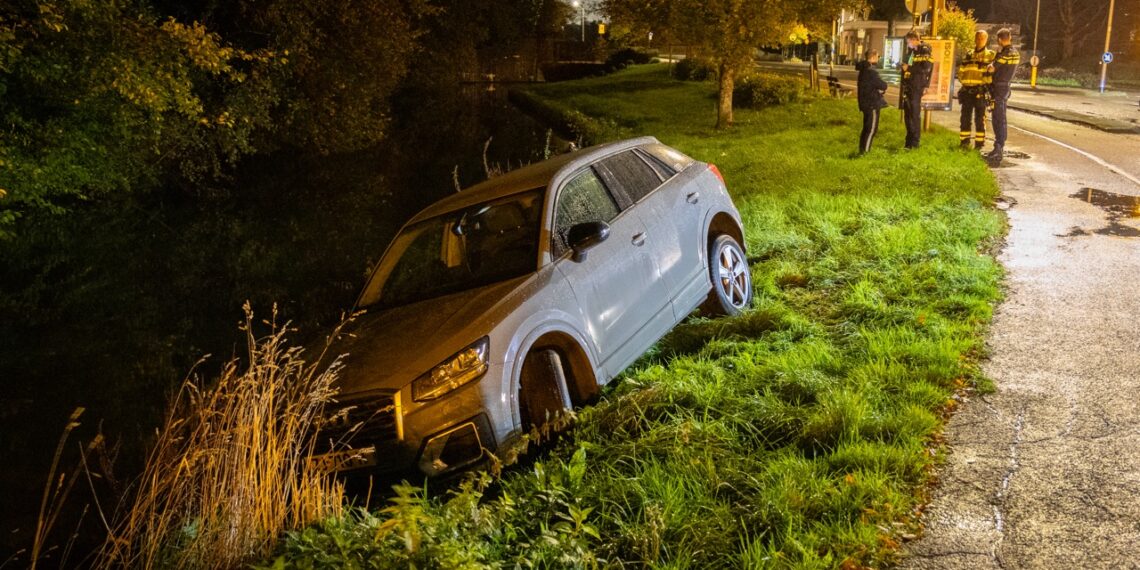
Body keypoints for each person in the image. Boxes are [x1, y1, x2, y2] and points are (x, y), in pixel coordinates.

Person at [956, 31, 995, 149]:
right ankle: (964, 142)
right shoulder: (968, 54)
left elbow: (993, 74)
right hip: (967, 91)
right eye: (977, 38)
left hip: (980, 91)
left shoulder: (990, 55)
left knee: (980, 119)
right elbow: (961, 71)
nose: (979, 40)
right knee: (965, 118)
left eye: (982, 38)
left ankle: (979, 144)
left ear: (986, 39)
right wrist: (964, 81)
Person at [987, 28, 1020, 161]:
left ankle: (998, 147)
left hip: (999, 88)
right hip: (1006, 87)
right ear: (1010, 37)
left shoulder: (1003, 54)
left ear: (999, 39)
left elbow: (991, 69)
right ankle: (999, 146)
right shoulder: (1016, 53)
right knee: (1001, 118)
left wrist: (990, 65)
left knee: (998, 119)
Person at [900, 30, 933, 149]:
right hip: (908, 86)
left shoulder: (924, 49)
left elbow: (926, 68)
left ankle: (915, 142)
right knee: (908, 114)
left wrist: (908, 68)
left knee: (914, 114)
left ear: (914, 39)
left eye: (908, 41)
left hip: (917, 85)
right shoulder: (911, 51)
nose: (907, 43)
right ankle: (908, 141)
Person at [856, 50, 889, 154]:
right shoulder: (871, 71)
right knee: (871, 129)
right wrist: (880, 89)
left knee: (866, 128)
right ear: (873, 57)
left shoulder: (863, 70)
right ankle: (865, 152)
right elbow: (883, 85)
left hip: (865, 102)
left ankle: (862, 150)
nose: (878, 58)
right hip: (872, 103)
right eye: (878, 56)